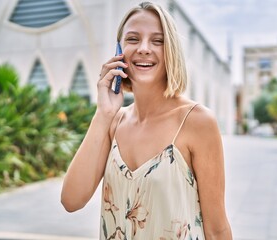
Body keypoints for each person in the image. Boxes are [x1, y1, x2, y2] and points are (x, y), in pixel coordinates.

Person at [61, 2, 232, 239]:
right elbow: (71, 200)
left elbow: (217, 229)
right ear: (119, 50)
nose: (143, 48)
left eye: (158, 41)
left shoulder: (196, 121)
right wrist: (103, 114)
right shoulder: (113, 122)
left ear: (171, 50)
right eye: (132, 39)